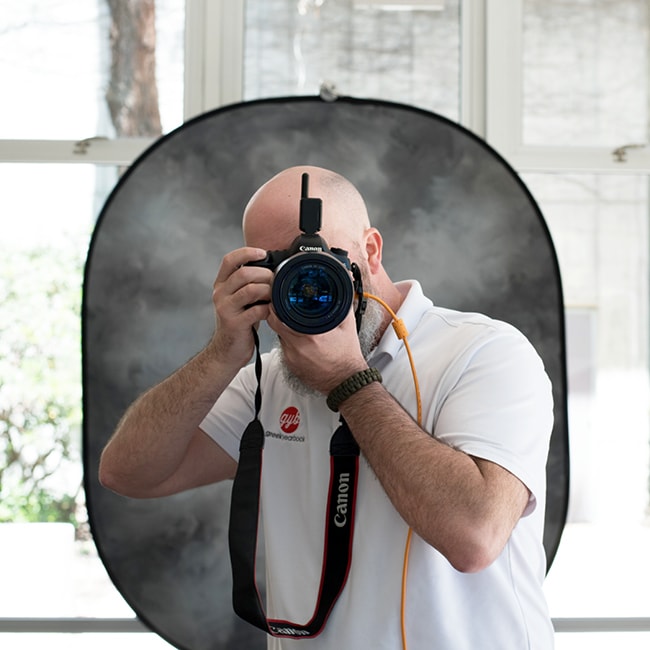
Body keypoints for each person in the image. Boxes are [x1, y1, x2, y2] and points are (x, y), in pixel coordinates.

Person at [99, 165, 555, 649]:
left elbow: (475, 535)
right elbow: (128, 473)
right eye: (281, 267)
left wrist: (348, 382)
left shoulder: (484, 352)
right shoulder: (269, 377)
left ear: (371, 250)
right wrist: (221, 352)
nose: (307, 284)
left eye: (324, 261)